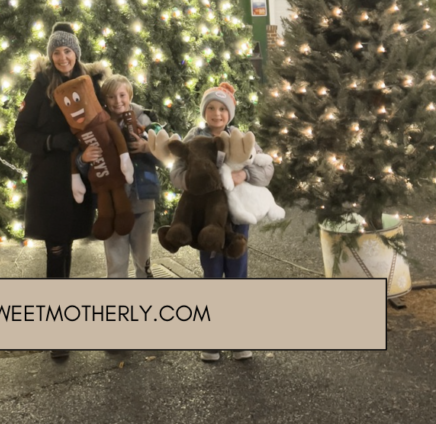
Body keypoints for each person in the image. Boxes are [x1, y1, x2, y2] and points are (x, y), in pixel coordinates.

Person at [14, 21, 107, 362]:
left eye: (68, 51)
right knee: (56, 251)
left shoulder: (92, 83)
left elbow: (107, 121)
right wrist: (52, 141)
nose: (62, 57)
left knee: (68, 247)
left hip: (83, 177)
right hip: (51, 183)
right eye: (57, 52)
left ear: (76, 53)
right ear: (50, 55)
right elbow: (21, 133)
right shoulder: (40, 85)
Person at [170, 80, 274, 363]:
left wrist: (244, 176)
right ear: (204, 112)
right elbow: (176, 171)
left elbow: (265, 168)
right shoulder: (194, 137)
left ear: (230, 113)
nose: (217, 114)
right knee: (212, 270)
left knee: (237, 271)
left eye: (222, 109)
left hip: (236, 216)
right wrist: (194, 182)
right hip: (206, 221)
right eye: (211, 108)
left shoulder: (239, 138)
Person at [82, 74, 161, 278]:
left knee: (143, 261)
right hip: (113, 206)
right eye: (111, 97)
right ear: (104, 100)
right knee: (116, 264)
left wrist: (147, 147)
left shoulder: (145, 120)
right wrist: (84, 158)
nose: (118, 101)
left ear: (130, 95)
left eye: (122, 95)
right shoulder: (96, 124)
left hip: (142, 199)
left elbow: (165, 155)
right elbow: (83, 164)